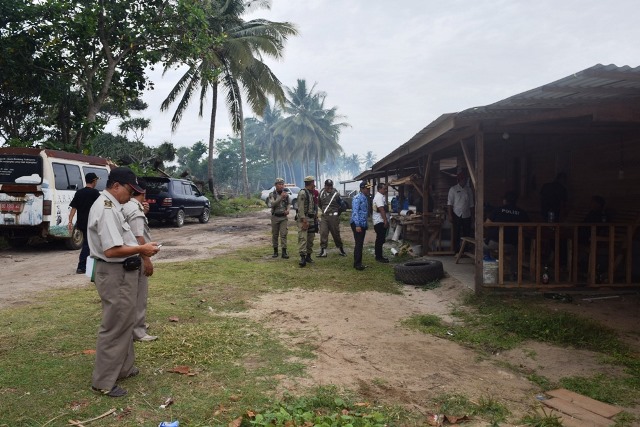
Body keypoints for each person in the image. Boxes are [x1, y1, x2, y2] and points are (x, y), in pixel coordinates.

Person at [87, 167, 161, 398]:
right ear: (116, 185)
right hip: (114, 272)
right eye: (130, 190)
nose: (131, 195)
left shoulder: (115, 206)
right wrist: (142, 249)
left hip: (122, 272)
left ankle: (124, 368)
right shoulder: (107, 208)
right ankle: (104, 381)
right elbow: (111, 250)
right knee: (115, 325)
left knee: (126, 320)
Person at [122, 178, 158, 342]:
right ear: (143, 193)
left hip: (126, 257)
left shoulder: (127, 206)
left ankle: (135, 325)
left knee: (131, 295)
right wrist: (147, 260)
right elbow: (138, 237)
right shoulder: (135, 211)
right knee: (139, 295)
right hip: (137, 257)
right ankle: (138, 331)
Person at [484, 191, 529, 280]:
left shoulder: (497, 210)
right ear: (516, 201)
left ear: (504, 200)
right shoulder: (521, 212)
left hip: (494, 243)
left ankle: (489, 271)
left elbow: (487, 224)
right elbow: (529, 227)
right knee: (517, 250)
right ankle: (513, 274)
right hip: (511, 245)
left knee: (480, 245)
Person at [68, 173, 101, 274]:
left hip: (81, 223)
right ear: (94, 181)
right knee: (88, 244)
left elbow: (74, 208)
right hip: (91, 223)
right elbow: (101, 208)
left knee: (88, 244)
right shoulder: (95, 193)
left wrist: (70, 221)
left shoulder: (79, 192)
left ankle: (88, 265)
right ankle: (81, 266)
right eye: (96, 181)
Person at [317, 179, 346, 257]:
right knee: (323, 233)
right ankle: (323, 251)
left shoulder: (336, 194)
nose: (329, 187)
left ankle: (341, 249)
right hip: (324, 216)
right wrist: (324, 210)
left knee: (336, 233)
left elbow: (342, 205)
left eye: (331, 186)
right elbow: (319, 204)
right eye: (327, 186)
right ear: (325, 186)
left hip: (333, 216)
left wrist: (337, 213)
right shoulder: (321, 193)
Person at [447, 170, 474, 253]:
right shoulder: (453, 189)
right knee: (457, 233)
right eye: (463, 180)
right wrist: (450, 215)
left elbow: (471, 204)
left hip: (467, 214)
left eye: (465, 180)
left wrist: (473, 216)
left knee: (467, 233)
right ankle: (456, 250)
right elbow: (449, 203)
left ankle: (466, 250)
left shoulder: (469, 190)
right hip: (456, 214)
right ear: (459, 180)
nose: (464, 181)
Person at [350, 181, 372, 271]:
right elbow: (355, 212)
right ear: (362, 188)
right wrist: (357, 225)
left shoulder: (365, 197)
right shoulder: (357, 198)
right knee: (359, 244)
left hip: (362, 223)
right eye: (367, 188)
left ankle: (358, 262)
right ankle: (357, 264)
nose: (369, 190)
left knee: (360, 243)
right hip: (357, 223)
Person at [297, 176, 317, 267]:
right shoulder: (303, 193)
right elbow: (300, 208)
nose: (314, 184)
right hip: (304, 219)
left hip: (311, 219)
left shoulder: (310, 193)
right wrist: (304, 220)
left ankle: (308, 256)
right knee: (303, 238)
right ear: (311, 183)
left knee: (310, 238)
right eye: (313, 182)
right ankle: (302, 257)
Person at [268, 178, 290, 259]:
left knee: (283, 234)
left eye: (282, 184)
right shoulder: (272, 194)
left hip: (283, 217)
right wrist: (281, 197)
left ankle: (284, 252)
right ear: (275, 185)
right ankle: (275, 251)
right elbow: (273, 204)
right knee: (275, 234)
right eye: (279, 184)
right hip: (275, 217)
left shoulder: (286, 194)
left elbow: (288, 203)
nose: (281, 186)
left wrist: (288, 210)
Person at [372, 183, 389, 262]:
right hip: (380, 221)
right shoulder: (379, 197)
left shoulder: (381, 196)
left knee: (381, 239)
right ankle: (379, 257)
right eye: (384, 189)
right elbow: (381, 209)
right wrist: (385, 220)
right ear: (379, 189)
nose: (386, 190)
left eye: (386, 188)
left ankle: (379, 255)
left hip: (380, 221)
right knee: (380, 239)